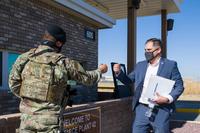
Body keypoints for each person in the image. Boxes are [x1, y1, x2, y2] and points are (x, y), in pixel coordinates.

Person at [9, 24, 108, 133]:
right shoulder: (64, 62)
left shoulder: (24, 58)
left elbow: (13, 85)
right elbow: (88, 79)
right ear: (58, 43)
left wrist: (30, 99)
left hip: (26, 120)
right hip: (50, 123)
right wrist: (100, 70)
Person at [113, 38, 184, 133]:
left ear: (158, 50)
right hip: (142, 109)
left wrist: (167, 98)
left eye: (149, 50)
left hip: (161, 109)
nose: (146, 52)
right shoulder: (140, 65)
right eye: (145, 50)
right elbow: (129, 80)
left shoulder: (170, 65)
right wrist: (119, 73)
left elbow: (179, 86)